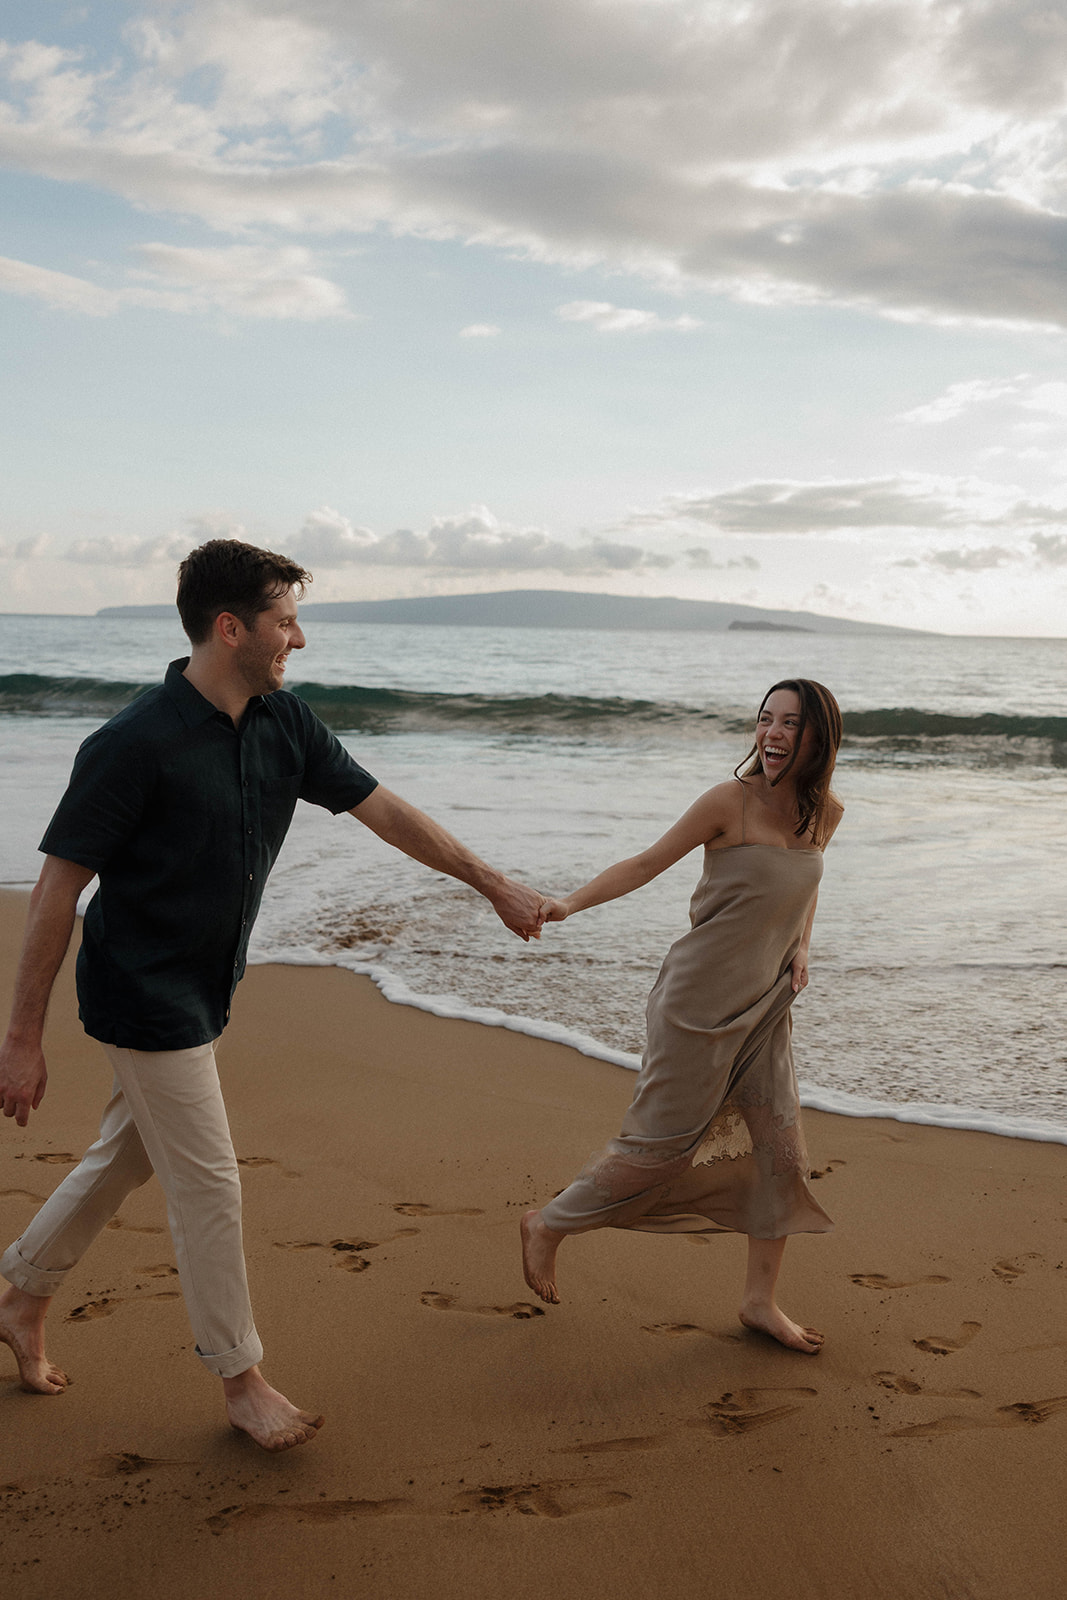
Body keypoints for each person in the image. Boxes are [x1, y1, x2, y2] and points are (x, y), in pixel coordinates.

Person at [0, 538, 545, 1449]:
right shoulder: (132, 743)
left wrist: (488, 881)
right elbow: (59, 886)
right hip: (142, 993)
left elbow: (385, 810)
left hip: (209, 987)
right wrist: (22, 1038)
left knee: (129, 1155)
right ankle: (240, 1378)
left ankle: (20, 1296)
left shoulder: (286, 724)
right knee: (210, 1183)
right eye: (285, 623)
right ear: (230, 628)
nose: (299, 640)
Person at [521, 679, 843, 1353]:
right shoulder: (728, 802)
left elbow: (806, 884)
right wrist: (567, 904)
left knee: (782, 1157)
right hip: (695, 1005)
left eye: (790, 723)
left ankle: (759, 1302)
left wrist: (802, 947)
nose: (774, 734)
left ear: (819, 736)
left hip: (765, 1008)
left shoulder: (825, 813)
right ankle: (548, 1224)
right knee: (658, 1153)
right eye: (765, 721)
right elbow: (645, 863)